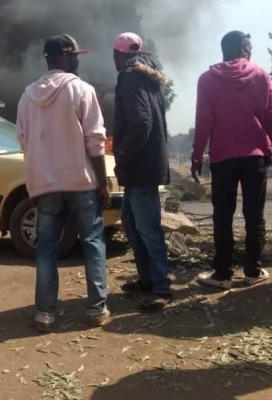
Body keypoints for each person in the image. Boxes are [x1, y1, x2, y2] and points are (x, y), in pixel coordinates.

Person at [17, 34, 110, 332]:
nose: (78, 61)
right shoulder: (82, 90)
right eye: (75, 56)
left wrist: (34, 180)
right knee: (93, 243)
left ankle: (45, 313)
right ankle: (96, 310)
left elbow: (23, 141)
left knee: (46, 249)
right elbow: (95, 141)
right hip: (81, 182)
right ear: (65, 57)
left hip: (45, 184)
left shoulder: (27, 96)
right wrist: (103, 181)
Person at [192, 31, 272, 290]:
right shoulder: (261, 75)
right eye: (249, 47)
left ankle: (222, 274)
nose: (251, 52)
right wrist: (269, 146)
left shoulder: (207, 79)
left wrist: (197, 155)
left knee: (223, 215)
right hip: (254, 158)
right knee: (254, 215)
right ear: (242, 48)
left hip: (223, 158)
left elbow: (203, 120)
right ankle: (253, 270)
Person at [110, 32, 173, 312]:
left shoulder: (131, 77)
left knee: (147, 229)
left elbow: (141, 123)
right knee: (133, 225)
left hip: (140, 169)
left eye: (114, 55)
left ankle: (161, 288)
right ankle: (147, 280)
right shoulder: (147, 77)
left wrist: (122, 154)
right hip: (146, 167)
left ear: (118, 55)